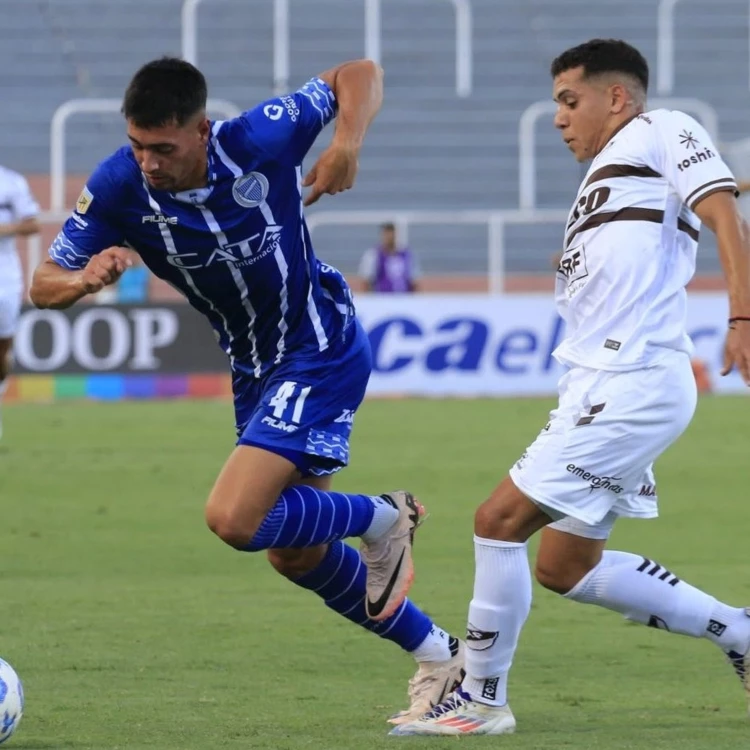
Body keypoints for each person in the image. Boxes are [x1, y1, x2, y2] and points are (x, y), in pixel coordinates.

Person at [28, 57, 463, 723]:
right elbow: (42, 284)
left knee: (234, 520)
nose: (148, 162)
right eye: (138, 145)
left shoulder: (258, 139)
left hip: (318, 343)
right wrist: (85, 280)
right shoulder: (120, 185)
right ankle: (441, 657)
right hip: (255, 369)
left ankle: (385, 517)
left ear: (202, 130)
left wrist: (345, 144)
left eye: (163, 148)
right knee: (296, 553)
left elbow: (359, 72)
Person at [392, 38, 750, 736]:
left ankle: (481, 700)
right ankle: (739, 632)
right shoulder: (605, 181)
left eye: (568, 100)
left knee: (496, 522)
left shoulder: (661, 128)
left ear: (616, 98)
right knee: (565, 565)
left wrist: (741, 313)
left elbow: (724, 212)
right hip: (602, 384)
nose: (558, 118)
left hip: (633, 380)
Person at [0, 165, 40, 438]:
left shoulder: (10, 182)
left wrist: (6, 228)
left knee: (2, 348)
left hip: (4, 277)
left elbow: (33, 223)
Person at [358, 222, 420, 292]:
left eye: (391, 233)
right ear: (382, 235)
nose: (389, 237)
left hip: (404, 298)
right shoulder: (374, 255)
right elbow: (367, 281)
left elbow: (414, 281)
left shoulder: (406, 255)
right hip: (382, 298)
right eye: (386, 234)